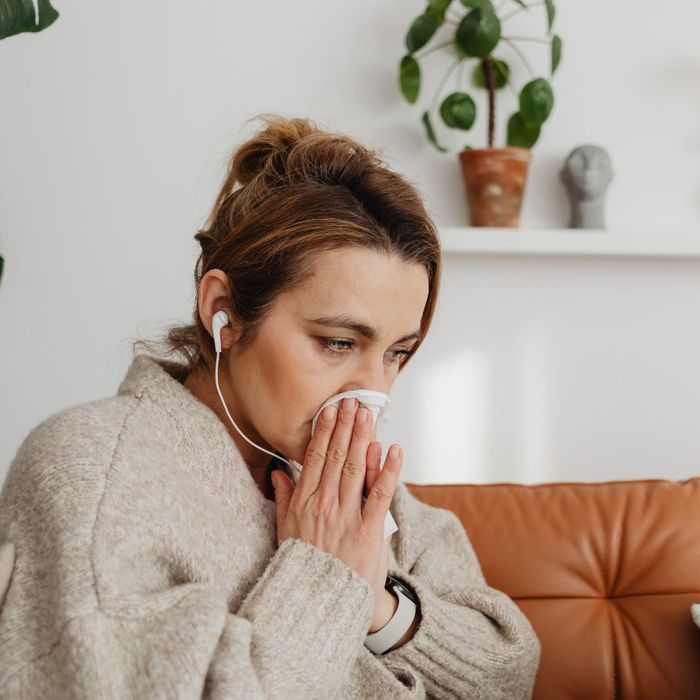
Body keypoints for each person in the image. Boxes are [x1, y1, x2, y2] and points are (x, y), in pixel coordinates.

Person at [0, 114, 541, 698]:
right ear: (222, 313)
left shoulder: (344, 482)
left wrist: (380, 605)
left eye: (397, 352)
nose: (374, 393)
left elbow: (508, 670)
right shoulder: (91, 474)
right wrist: (323, 575)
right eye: (338, 343)